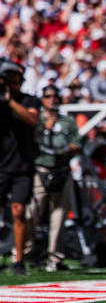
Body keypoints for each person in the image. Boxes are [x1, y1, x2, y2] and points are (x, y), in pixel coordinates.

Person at [26, 85, 81, 272]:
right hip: (40, 168)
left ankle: (54, 258)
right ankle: (27, 252)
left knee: (59, 215)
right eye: (48, 96)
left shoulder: (68, 121)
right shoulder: (36, 119)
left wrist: (70, 149)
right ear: (42, 99)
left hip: (62, 169)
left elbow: (78, 143)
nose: (52, 99)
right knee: (30, 213)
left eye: (55, 96)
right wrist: (43, 128)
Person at [0, 59, 40, 276]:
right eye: (8, 83)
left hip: (21, 165)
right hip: (1, 164)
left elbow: (32, 119)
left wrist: (10, 102)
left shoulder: (28, 100)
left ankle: (18, 259)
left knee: (19, 211)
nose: (12, 86)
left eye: (16, 83)